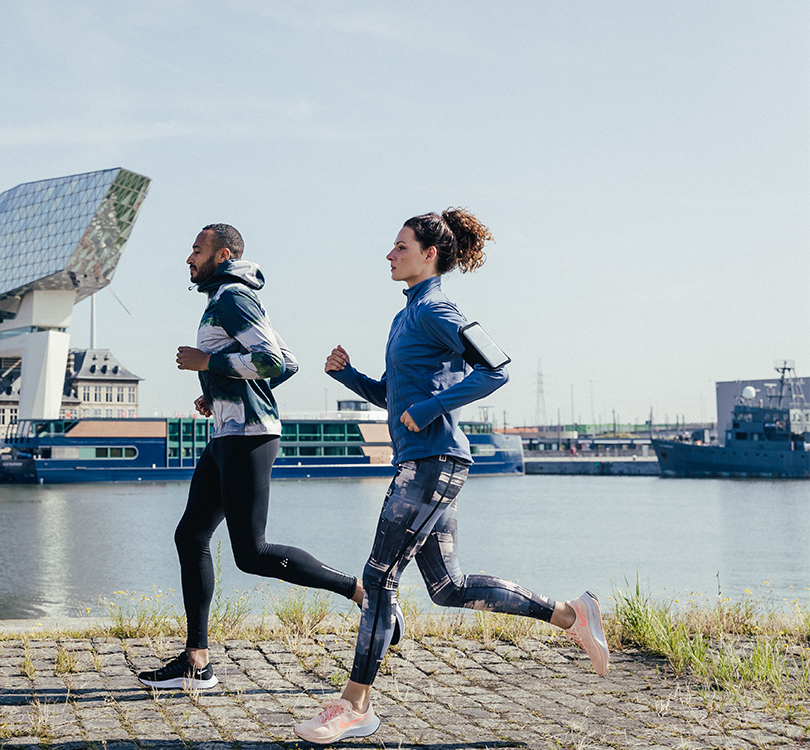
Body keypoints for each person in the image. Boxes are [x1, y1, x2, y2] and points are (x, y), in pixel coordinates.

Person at [292, 209, 609, 744]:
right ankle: (572, 614)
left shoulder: (439, 308)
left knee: (377, 578)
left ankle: (354, 706)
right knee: (447, 588)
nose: (390, 255)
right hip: (423, 460)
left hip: (432, 463)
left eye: (400, 246)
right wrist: (347, 375)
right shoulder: (406, 316)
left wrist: (436, 405)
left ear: (428, 254)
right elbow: (396, 399)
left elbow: (497, 367)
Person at [137, 223, 367, 690]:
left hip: (249, 437)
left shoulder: (232, 298)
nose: (188, 258)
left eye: (196, 250)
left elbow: (273, 363)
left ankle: (363, 594)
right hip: (228, 433)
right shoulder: (224, 296)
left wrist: (209, 365)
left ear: (221, 255)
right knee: (191, 535)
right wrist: (217, 392)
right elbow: (287, 359)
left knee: (252, 554)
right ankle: (197, 660)